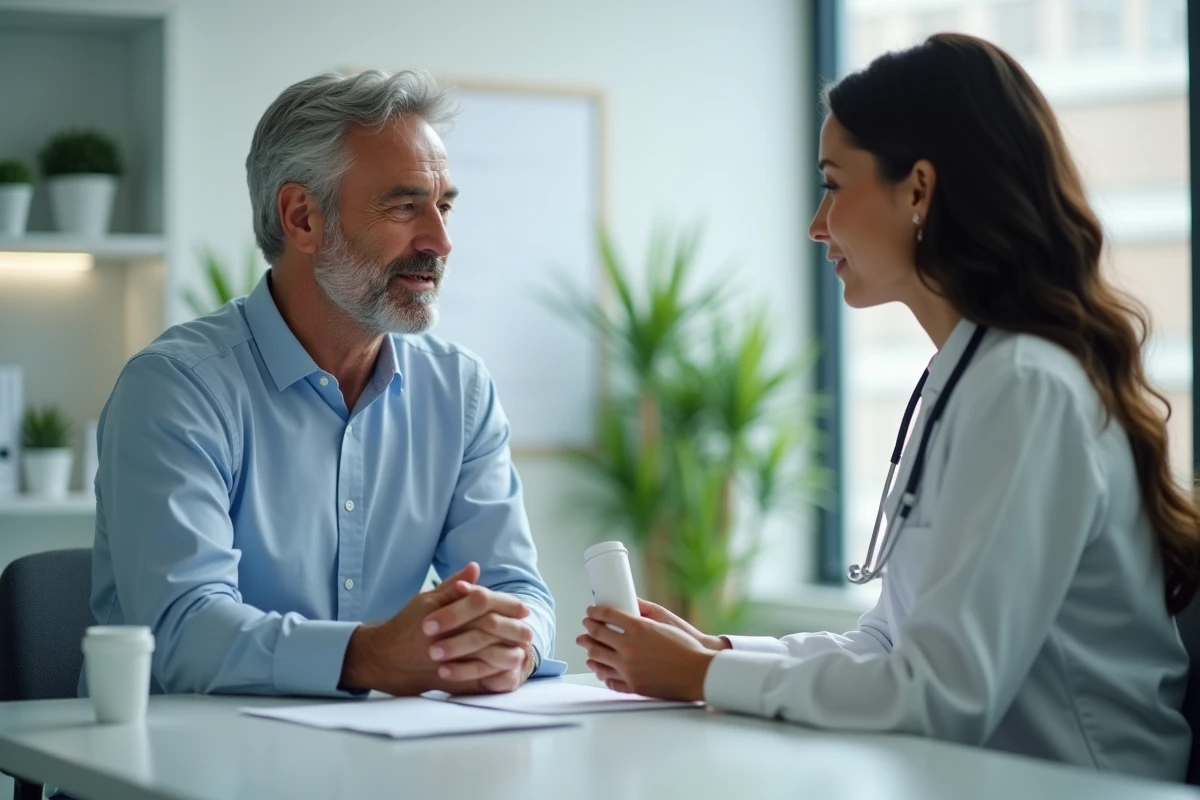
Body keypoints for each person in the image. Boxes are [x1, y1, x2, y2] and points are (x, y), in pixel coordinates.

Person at [577, 33, 1200, 780]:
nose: (816, 224)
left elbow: (939, 693)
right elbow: (890, 644)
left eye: (834, 185)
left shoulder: (1026, 387)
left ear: (918, 190)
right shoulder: (970, 374)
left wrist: (703, 678)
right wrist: (713, 653)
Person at [85, 69, 563, 699]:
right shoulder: (177, 390)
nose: (440, 241)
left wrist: (511, 645)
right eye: (403, 205)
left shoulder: (460, 392)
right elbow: (182, 632)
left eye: (443, 206)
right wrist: (368, 657)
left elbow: (518, 590)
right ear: (302, 217)